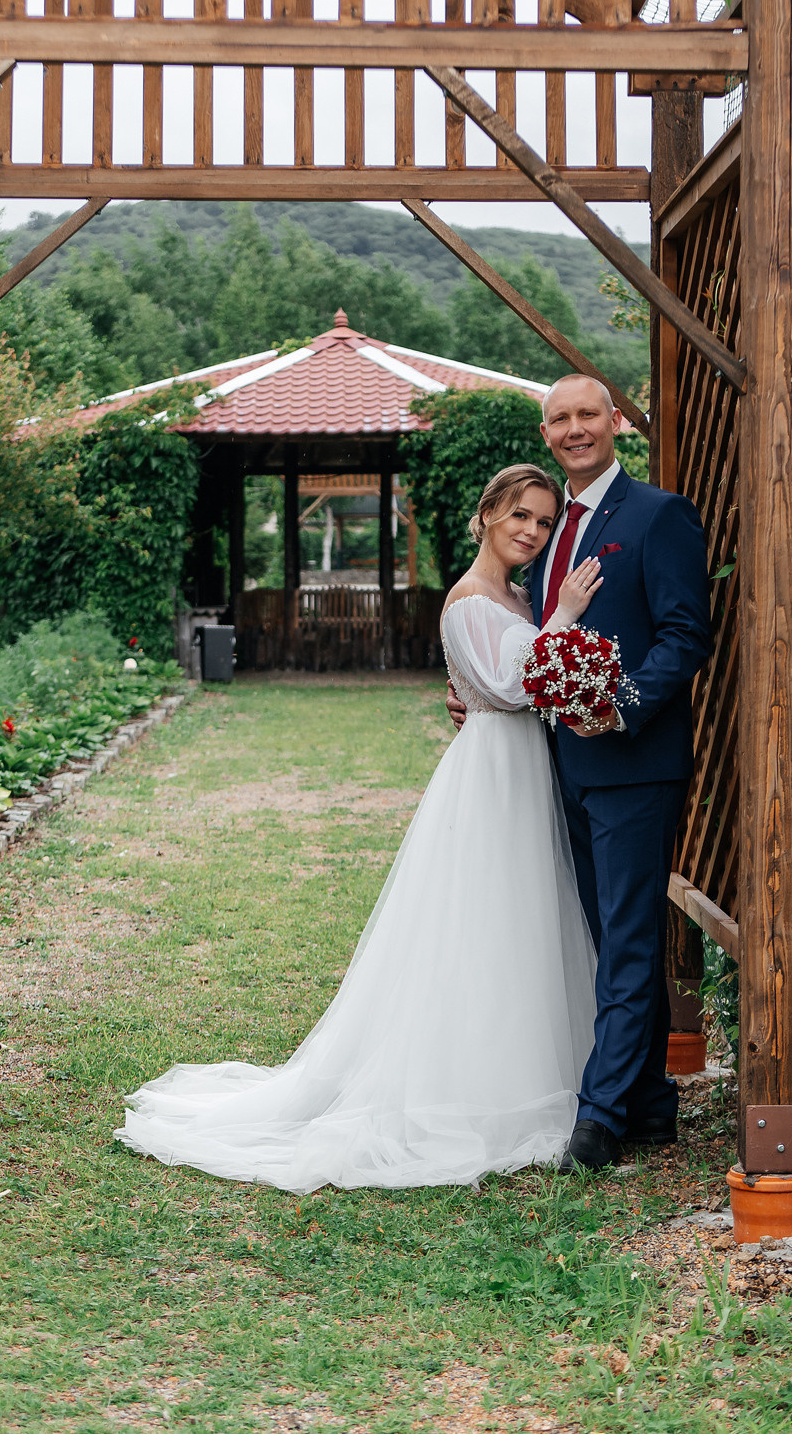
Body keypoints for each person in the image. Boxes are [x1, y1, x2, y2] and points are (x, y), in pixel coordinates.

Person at [115, 465, 608, 1193]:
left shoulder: (513, 595)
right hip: (491, 773)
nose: (531, 531)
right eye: (519, 517)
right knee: (480, 920)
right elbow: (511, 685)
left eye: (542, 520)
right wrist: (564, 618)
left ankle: (522, 1064)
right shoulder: (473, 599)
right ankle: (469, 1088)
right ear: (486, 517)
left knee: (516, 918)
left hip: (519, 764)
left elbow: (496, 682)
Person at [449, 374, 711, 1171]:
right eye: (559, 418)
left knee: (627, 935)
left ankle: (598, 1121)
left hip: (632, 761)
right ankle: (651, 1103)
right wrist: (480, 694)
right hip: (558, 763)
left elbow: (684, 636)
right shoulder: (550, 528)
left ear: (616, 421)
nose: (574, 428)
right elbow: (522, 644)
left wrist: (621, 705)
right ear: (546, 433)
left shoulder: (658, 516)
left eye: (587, 414)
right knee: (602, 933)